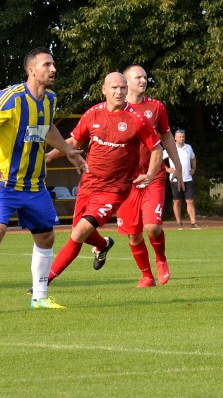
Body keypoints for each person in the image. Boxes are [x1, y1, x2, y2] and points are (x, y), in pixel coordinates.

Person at [0, 47, 88, 315]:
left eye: (53, 64)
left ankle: (40, 297)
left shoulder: (49, 100)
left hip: (34, 185)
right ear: (31, 70)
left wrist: (67, 151)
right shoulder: (10, 97)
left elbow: (47, 128)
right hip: (4, 183)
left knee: (46, 236)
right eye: (46, 64)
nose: (53, 69)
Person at [46, 72, 163, 288]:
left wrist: (151, 173)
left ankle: (43, 283)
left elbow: (156, 149)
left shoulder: (138, 119)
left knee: (80, 232)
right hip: (89, 184)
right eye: (114, 88)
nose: (118, 92)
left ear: (126, 90)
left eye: (122, 88)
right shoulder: (93, 114)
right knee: (79, 231)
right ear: (104, 90)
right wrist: (49, 157)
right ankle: (103, 244)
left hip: (115, 188)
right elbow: (74, 140)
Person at [116, 66, 183, 288]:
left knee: (152, 227)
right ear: (126, 82)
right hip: (127, 180)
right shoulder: (115, 110)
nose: (143, 80)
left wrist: (178, 166)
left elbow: (167, 137)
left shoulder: (155, 107)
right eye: (138, 77)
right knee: (133, 234)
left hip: (153, 175)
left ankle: (161, 260)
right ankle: (146, 275)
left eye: (145, 76)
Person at [165, 130, 200, 229]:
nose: (182, 139)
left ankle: (193, 223)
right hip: (175, 180)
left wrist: (193, 168)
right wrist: (167, 169)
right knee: (177, 201)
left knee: (190, 200)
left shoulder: (188, 147)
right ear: (175, 138)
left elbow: (193, 158)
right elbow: (158, 158)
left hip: (188, 178)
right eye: (180, 137)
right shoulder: (170, 148)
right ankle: (179, 223)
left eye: (183, 137)